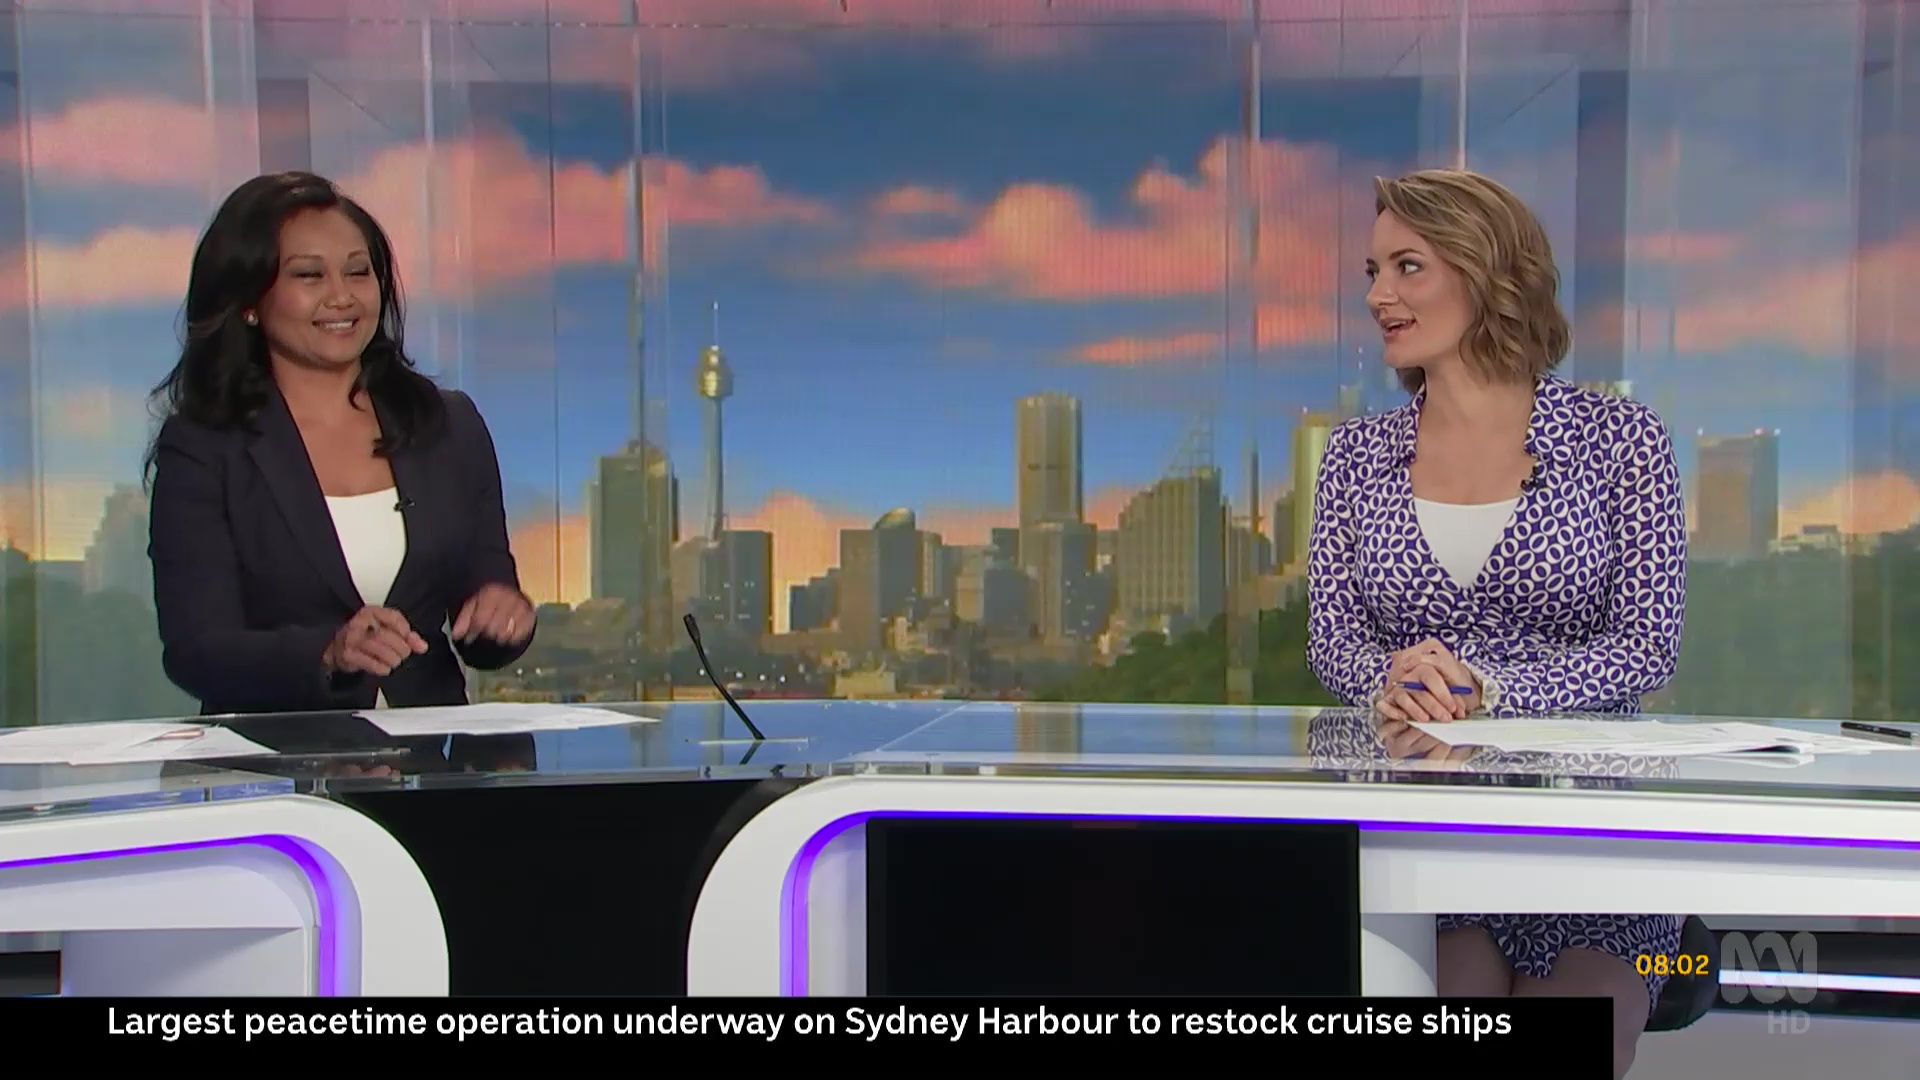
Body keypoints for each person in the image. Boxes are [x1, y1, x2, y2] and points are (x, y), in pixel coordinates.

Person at [1304, 168, 1688, 1079]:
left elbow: (1648, 645)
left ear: (1488, 271)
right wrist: (1390, 680)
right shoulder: (1355, 454)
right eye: (1373, 271)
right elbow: (1332, 639)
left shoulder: (1619, 439)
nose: (1379, 295)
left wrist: (1498, 688)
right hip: (1422, 817)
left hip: (1589, 820)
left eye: (1408, 266)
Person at [146, 171, 535, 716]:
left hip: (432, 754)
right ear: (249, 300)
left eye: (358, 272)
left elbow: (485, 605)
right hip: (281, 756)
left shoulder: (448, 425)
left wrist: (504, 615)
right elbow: (196, 649)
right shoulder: (205, 447)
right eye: (309, 275)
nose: (342, 296)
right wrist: (327, 654)